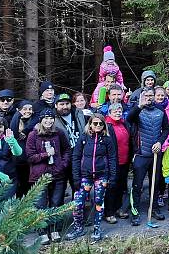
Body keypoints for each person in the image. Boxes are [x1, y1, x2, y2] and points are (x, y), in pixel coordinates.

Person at [65, 113, 118, 242]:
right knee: (77, 203)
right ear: (90, 124)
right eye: (95, 123)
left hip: (102, 175)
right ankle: (78, 228)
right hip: (85, 175)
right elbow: (76, 157)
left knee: (99, 202)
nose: (98, 126)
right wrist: (76, 178)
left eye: (100, 123)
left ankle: (97, 228)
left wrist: (112, 177)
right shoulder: (84, 137)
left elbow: (112, 158)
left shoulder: (107, 139)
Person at [25, 108, 71, 243]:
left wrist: (62, 164)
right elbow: (30, 157)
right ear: (40, 119)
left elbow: (67, 149)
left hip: (57, 174)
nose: (48, 121)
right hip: (39, 175)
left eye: (51, 118)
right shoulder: (33, 135)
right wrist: (46, 154)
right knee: (40, 204)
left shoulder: (59, 133)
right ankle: (42, 231)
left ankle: (55, 228)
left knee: (56, 203)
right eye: (46, 118)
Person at [127, 88, 169, 225]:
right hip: (141, 154)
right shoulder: (137, 110)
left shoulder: (160, 111)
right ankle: (135, 212)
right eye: (146, 95)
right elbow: (129, 118)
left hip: (155, 154)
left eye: (151, 95)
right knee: (137, 184)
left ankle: (155, 208)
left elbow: (166, 129)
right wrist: (140, 105)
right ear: (141, 96)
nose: (149, 98)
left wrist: (160, 142)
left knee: (155, 183)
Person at [104, 102, 133, 223]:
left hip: (124, 161)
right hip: (112, 162)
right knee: (112, 187)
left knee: (121, 186)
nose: (118, 113)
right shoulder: (107, 125)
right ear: (109, 113)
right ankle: (109, 212)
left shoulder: (124, 123)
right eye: (115, 111)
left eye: (120, 110)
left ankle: (118, 208)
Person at [10, 99, 36, 196]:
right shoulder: (16, 120)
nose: (27, 111)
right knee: (19, 186)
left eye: (30, 109)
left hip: (31, 159)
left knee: (29, 186)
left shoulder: (33, 121)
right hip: (18, 160)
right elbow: (13, 131)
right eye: (24, 109)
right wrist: (18, 114)